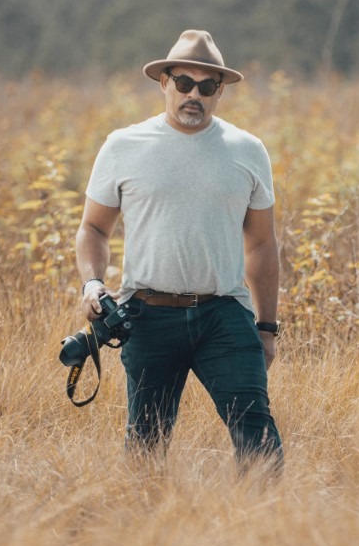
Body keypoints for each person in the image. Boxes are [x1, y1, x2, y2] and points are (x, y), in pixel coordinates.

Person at [75, 29, 283, 468]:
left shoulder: (248, 150)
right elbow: (94, 227)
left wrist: (266, 327)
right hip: (147, 315)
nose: (195, 95)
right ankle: (147, 530)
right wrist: (93, 285)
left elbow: (262, 244)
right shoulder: (123, 146)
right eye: (184, 83)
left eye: (207, 87)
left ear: (220, 91)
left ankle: (266, 531)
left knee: (258, 437)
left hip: (225, 315)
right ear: (164, 82)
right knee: (146, 447)